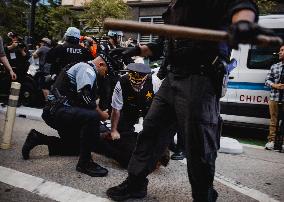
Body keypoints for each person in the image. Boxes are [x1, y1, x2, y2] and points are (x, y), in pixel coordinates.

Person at [106, 1, 269, 201]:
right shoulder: (175, 5)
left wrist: (243, 24)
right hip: (172, 79)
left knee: (198, 145)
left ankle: (203, 196)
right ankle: (135, 184)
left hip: (199, 80)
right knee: (151, 132)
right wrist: (134, 51)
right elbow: (161, 44)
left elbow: (242, 6)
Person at [21, 52, 117, 177]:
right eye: (107, 71)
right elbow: (85, 97)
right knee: (93, 117)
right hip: (59, 111)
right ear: (101, 64)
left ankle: (37, 138)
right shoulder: (87, 69)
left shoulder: (81, 66)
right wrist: (102, 115)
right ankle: (85, 163)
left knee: (76, 148)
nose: (106, 75)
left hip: (57, 112)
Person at [93, 63, 170, 168]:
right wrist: (114, 130)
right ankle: (101, 137)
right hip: (128, 108)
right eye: (133, 83)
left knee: (150, 132)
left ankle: (102, 138)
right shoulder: (121, 83)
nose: (136, 85)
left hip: (148, 107)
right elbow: (116, 110)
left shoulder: (155, 82)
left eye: (138, 83)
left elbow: (160, 110)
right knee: (120, 136)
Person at [265, 44, 284, 150]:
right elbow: (267, 80)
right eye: (280, 50)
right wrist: (274, 85)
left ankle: (282, 143)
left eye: (282, 50)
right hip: (274, 97)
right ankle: (271, 141)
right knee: (273, 120)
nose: (280, 52)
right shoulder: (275, 66)